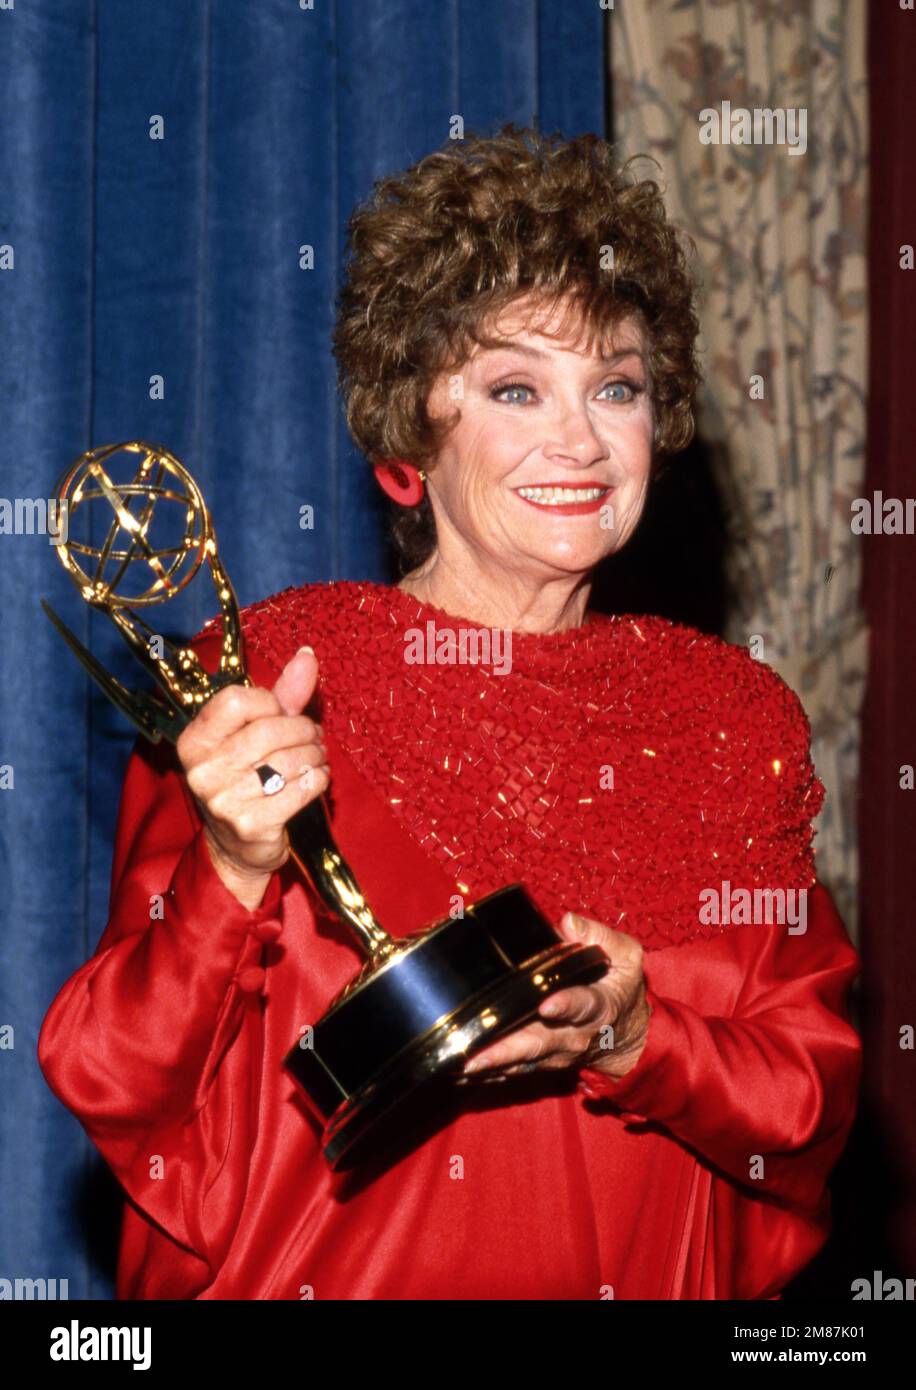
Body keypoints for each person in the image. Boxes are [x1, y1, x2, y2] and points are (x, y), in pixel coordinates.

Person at [38, 125, 862, 1300]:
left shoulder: (730, 716)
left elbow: (809, 1107)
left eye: (615, 386)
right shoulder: (270, 674)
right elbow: (114, 1072)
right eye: (515, 387)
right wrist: (226, 871)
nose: (579, 440)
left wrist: (638, 1042)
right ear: (408, 438)